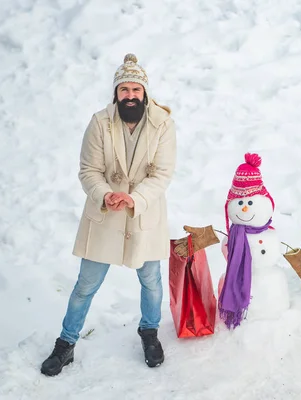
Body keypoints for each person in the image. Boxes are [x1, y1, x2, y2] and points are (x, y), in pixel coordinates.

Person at [40, 54, 177, 376]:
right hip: (105, 214)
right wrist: (106, 194)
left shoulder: (163, 124)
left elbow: (162, 175)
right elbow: (89, 170)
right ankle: (66, 342)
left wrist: (134, 198)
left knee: (151, 282)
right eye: (124, 89)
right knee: (85, 285)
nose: (130, 95)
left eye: (136, 89)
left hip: (143, 214)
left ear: (145, 92)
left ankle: (149, 332)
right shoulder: (99, 122)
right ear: (116, 93)